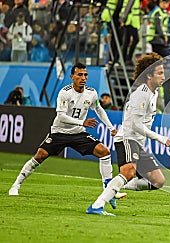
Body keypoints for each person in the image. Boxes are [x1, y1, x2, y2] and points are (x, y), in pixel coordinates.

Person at [8, 62, 122, 209]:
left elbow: (99, 109)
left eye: (85, 75)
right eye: (79, 75)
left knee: (104, 152)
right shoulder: (65, 93)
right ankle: (16, 185)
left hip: (78, 134)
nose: (83, 78)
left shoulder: (91, 93)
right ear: (72, 76)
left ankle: (108, 191)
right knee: (40, 155)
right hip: (60, 132)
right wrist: (82, 122)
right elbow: (61, 116)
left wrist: (111, 127)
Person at [86, 52, 170, 216]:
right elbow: (135, 125)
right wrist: (160, 138)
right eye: (160, 73)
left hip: (138, 143)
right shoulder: (142, 93)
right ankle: (97, 206)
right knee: (128, 172)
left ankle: (113, 187)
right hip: (127, 138)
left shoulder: (153, 93)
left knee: (158, 181)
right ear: (148, 75)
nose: (163, 76)